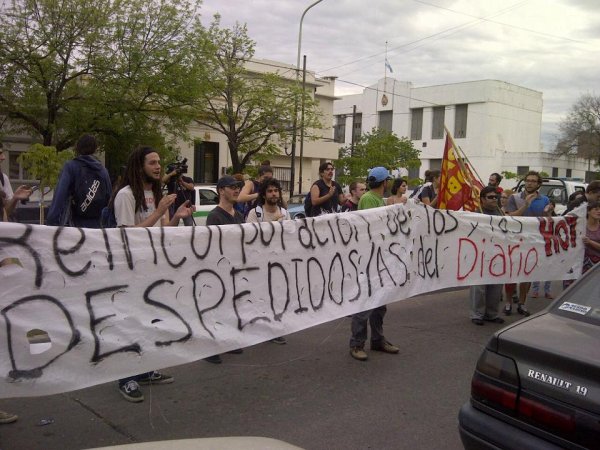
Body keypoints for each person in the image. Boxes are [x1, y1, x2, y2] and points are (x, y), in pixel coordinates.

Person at [112, 146, 193, 402]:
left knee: (151, 321)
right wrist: (159, 212)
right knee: (131, 323)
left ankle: (145, 371)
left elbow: (161, 231)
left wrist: (176, 217)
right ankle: (125, 378)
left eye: (159, 162)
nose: (159, 167)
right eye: (153, 163)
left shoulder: (156, 193)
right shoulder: (125, 196)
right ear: (139, 166)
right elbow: (127, 236)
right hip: (132, 270)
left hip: (154, 268)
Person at [349, 167, 399, 361]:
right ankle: (356, 344)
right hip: (369, 259)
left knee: (379, 304)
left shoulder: (376, 199)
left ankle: (377, 340)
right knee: (364, 304)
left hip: (379, 258)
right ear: (384, 182)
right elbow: (372, 228)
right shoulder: (370, 199)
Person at [204, 175, 247, 363]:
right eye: (232, 187)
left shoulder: (238, 215)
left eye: (238, 187)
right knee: (216, 309)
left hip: (235, 269)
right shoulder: (214, 216)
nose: (236, 190)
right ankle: (210, 349)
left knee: (231, 307)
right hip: (219, 270)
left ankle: (227, 342)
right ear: (221, 190)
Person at [247, 178, 290, 345]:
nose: (274, 194)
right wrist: (273, 224)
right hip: (259, 265)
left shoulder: (285, 214)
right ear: (264, 195)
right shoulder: (255, 214)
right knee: (260, 298)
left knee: (276, 297)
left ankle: (273, 329)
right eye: (270, 191)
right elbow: (250, 237)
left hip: (278, 264)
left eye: (276, 191)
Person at [504, 171, 554, 316]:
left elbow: (546, 220)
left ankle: (522, 303)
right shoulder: (514, 197)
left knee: (528, 274)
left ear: (539, 184)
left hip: (534, 241)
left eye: (533, 181)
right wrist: (526, 205)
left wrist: (548, 212)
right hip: (515, 239)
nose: (530, 183)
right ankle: (508, 303)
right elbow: (509, 217)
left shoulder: (544, 199)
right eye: (528, 180)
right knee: (512, 273)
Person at [47, 134, 111, 228]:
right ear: (95, 149)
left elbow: (60, 195)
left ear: (77, 148)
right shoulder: (103, 171)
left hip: (76, 225)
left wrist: (51, 222)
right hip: (97, 226)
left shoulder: (71, 166)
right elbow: (109, 198)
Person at [470, 186, 505, 326]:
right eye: (490, 197)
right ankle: (477, 314)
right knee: (479, 287)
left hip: (497, 254)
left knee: (496, 286)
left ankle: (492, 314)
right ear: (482, 199)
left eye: (496, 197)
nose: (494, 199)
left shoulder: (500, 213)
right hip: (479, 254)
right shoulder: (475, 214)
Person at [1, 143, 33, 220]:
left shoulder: (3, 178)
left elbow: (6, 212)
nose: (3, 157)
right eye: (0, 154)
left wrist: (15, 198)